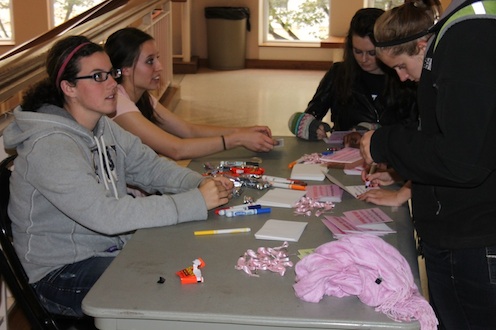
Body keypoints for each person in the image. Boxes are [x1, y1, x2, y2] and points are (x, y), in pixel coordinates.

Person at [3, 36, 234, 318]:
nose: (113, 83)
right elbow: (106, 216)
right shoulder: (50, 147)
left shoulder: (102, 126)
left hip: (109, 251)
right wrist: (194, 202)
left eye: (111, 73)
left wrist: (197, 183)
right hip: (62, 274)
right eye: (98, 77)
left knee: (191, 264)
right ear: (69, 88)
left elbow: (150, 167)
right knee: (172, 291)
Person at [360, 0, 496, 328]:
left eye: (402, 66)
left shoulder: (468, 35)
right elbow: (455, 134)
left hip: (470, 242)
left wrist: (385, 143)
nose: (403, 78)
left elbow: (460, 159)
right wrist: (407, 188)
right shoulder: (462, 23)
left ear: (422, 45)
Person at [104, 27, 276, 161]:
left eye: (157, 58)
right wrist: (237, 140)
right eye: (150, 61)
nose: (160, 67)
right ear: (125, 69)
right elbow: (177, 149)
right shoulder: (118, 104)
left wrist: (242, 131)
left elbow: (188, 130)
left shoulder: (140, 95)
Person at [288, 7, 418, 142]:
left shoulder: (406, 78)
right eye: (358, 51)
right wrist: (312, 127)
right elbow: (310, 114)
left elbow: (416, 129)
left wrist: (373, 132)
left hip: (391, 158)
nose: (364, 59)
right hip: (343, 157)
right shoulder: (338, 74)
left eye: (372, 53)